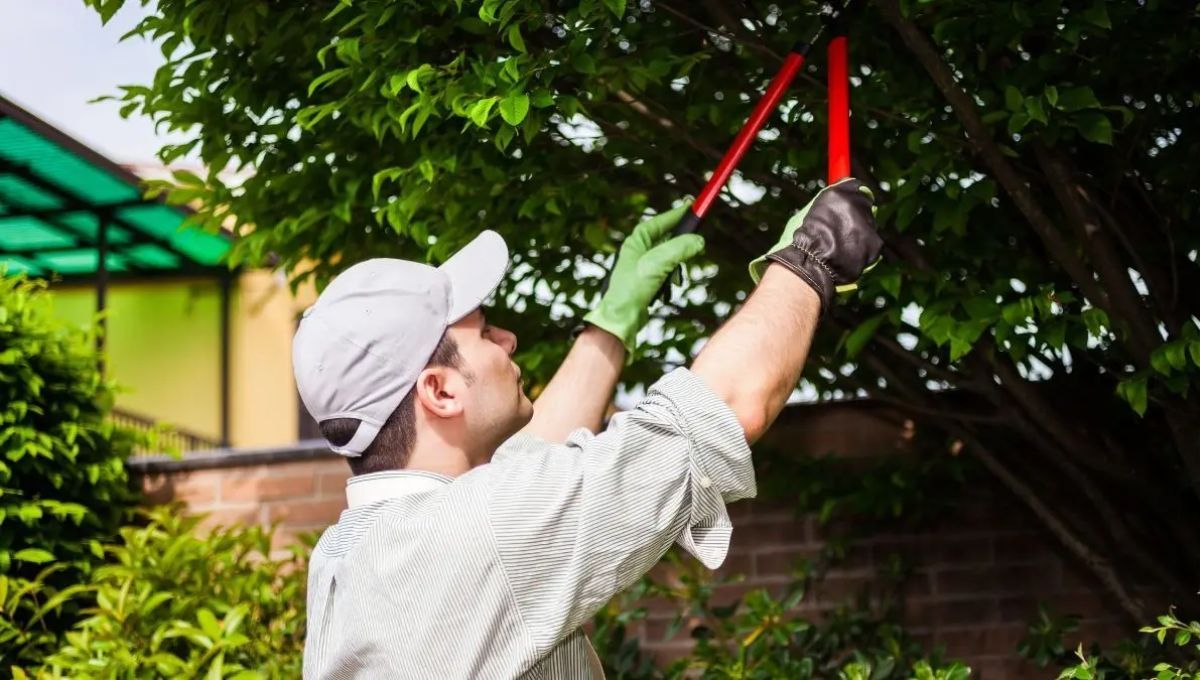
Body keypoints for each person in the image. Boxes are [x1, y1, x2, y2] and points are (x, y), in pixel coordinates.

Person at [294, 179, 882, 679]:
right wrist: (809, 260)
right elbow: (719, 412)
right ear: (441, 391)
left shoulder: (349, 553)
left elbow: (529, 469)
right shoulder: (483, 530)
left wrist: (613, 317)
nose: (508, 341)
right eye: (486, 332)